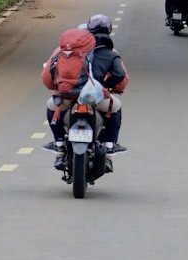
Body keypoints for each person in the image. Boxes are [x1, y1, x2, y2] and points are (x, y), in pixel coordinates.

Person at [42, 16, 129, 169]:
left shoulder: (63, 51)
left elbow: (47, 77)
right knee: (116, 107)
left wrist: (57, 87)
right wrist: (107, 87)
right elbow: (121, 78)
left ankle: (59, 143)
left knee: (51, 106)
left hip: (68, 96)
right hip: (95, 98)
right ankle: (109, 145)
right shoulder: (109, 52)